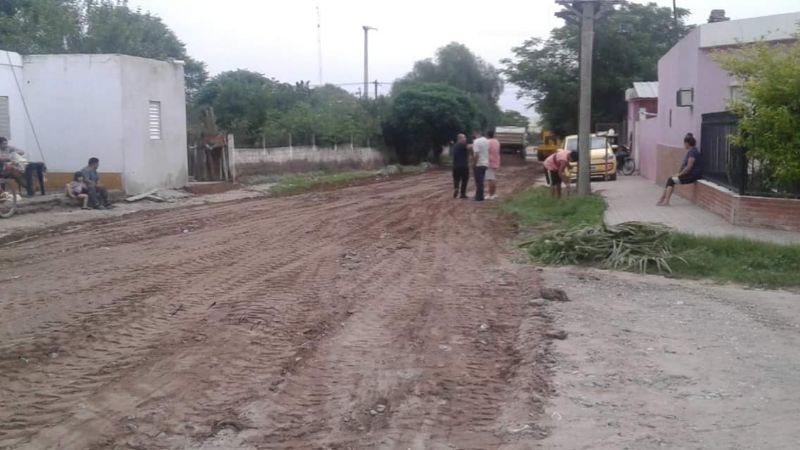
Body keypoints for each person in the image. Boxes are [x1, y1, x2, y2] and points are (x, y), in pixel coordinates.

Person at [657, 133, 703, 206]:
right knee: (671, 180)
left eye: (684, 143)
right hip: (690, 175)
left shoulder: (692, 152)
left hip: (691, 176)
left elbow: (689, 167)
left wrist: (680, 174)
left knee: (671, 180)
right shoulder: (693, 151)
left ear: (688, 143)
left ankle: (665, 200)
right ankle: (663, 199)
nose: (684, 145)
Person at [471, 130, 490, 202]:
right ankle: (479, 195)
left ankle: (479, 197)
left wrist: (474, 164)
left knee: (478, 181)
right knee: (481, 180)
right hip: (485, 163)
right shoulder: (486, 140)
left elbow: (477, 154)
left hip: (479, 164)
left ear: (476, 133)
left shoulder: (476, 141)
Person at [451, 133, 470, 199]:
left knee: (456, 179)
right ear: (460, 139)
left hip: (455, 166)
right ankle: (462, 193)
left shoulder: (455, 146)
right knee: (465, 179)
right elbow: (469, 147)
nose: (465, 139)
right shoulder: (463, 145)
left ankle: (456, 188)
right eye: (464, 137)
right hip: (463, 166)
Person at [486, 130, 501, 200]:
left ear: (487, 135)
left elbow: (486, 150)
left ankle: (490, 194)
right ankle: (494, 193)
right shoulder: (496, 141)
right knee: (493, 178)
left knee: (490, 179)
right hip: (496, 161)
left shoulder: (488, 142)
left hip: (490, 162)